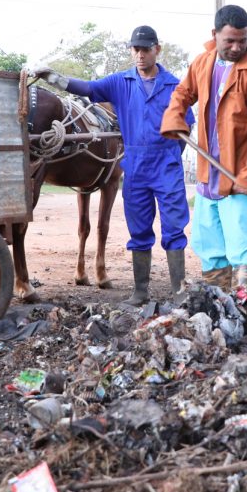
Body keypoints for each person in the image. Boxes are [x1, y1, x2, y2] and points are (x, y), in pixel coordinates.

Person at [33, 25, 195, 306]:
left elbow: (187, 126)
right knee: (139, 229)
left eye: (146, 49)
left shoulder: (174, 87)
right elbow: (89, 88)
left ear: (157, 50)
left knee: (173, 229)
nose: (140, 55)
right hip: (136, 166)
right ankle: (140, 292)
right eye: (136, 49)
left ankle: (179, 293)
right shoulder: (121, 82)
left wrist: (170, 156)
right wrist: (56, 79)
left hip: (166, 166)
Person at [161, 4, 247, 288]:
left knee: (242, 246)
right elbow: (182, 92)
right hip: (208, 173)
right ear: (214, 34)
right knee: (209, 246)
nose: (237, 47)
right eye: (230, 41)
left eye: (242, 40)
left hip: (239, 176)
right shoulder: (203, 63)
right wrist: (175, 116)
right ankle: (218, 302)